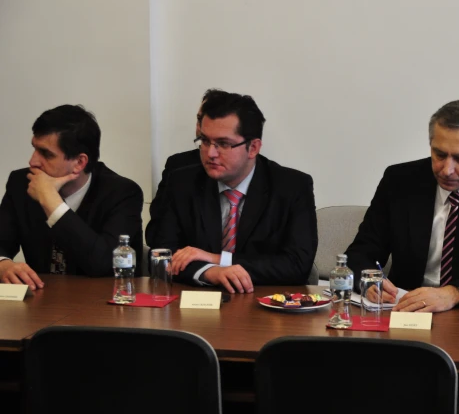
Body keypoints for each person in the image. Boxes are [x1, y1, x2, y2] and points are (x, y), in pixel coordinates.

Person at [345, 100, 459, 313]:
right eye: (440, 154)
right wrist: (371, 280)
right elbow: (359, 253)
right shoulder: (399, 180)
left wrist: (455, 292)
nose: (447, 170)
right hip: (406, 309)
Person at [147, 91, 317, 293]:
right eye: (205, 141)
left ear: (253, 147)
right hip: (196, 304)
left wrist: (218, 260)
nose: (210, 153)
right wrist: (210, 272)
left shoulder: (292, 187)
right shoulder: (182, 183)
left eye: (223, 144)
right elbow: (162, 255)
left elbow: (297, 265)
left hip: (267, 307)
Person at [0, 105, 143, 289]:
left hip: (102, 307)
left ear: (79, 162)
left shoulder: (122, 193)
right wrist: (3, 264)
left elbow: (106, 264)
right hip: (41, 304)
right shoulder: (21, 183)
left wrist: (52, 203)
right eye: (34, 148)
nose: (33, 161)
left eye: (46, 154)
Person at [145, 89, 230, 247]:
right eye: (199, 119)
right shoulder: (178, 166)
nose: (200, 127)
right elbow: (156, 234)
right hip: (189, 264)